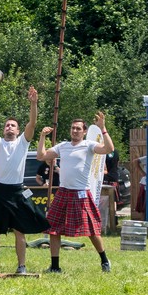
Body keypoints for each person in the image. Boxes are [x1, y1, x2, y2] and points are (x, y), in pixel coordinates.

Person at [0, 86, 48, 275]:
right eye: (7, 125)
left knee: (19, 232)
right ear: (4, 129)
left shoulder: (23, 142)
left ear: (17, 130)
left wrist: (34, 103)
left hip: (17, 192)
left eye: (13, 126)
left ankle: (21, 266)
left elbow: (32, 124)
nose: (9, 128)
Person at [36, 112, 115, 273]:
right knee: (53, 228)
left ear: (84, 131)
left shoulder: (89, 145)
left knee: (92, 230)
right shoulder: (62, 146)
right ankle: (55, 266)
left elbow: (109, 148)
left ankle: (105, 261)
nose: (75, 131)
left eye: (78, 129)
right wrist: (43, 137)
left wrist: (103, 128)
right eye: (73, 128)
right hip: (64, 192)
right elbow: (41, 155)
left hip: (81, 193)